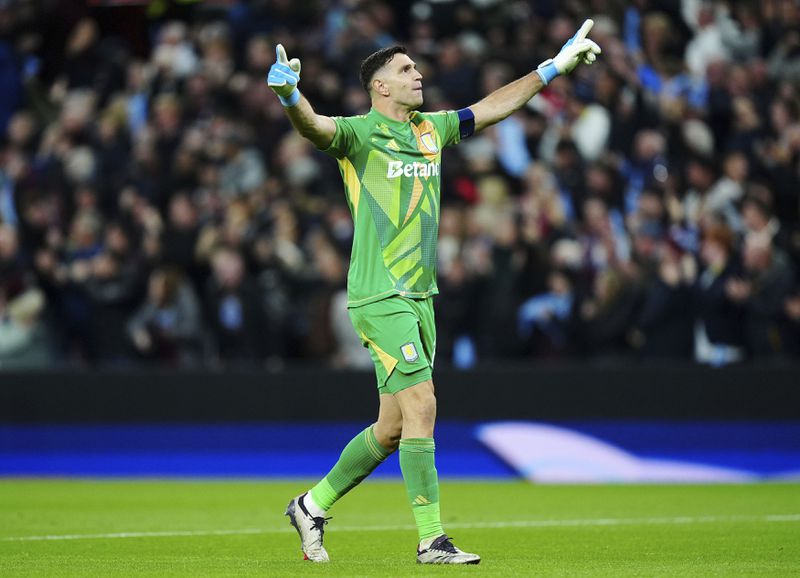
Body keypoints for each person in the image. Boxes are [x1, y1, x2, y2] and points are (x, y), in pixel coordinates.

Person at [269, 21, 601, 565]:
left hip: (421, 297)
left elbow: (493, 107)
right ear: (380, 87)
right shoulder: (357, 134)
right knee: (423, 403)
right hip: (380, 295)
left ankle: (312, 504)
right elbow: (313, 128)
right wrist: (290, 96)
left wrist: (552, 68)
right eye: (405, 69)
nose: (417, 73)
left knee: (392, 426)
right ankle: (432, 539)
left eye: (415, 67)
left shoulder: (432, 130)